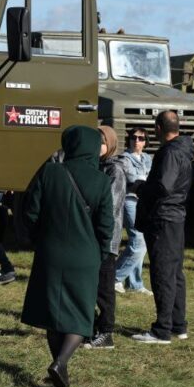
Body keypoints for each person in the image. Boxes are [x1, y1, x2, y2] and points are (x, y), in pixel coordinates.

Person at [20, 125, 114, 387]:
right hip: (86, 256)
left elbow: (30, 212)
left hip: (50, 251)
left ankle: (58, 367)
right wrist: (102, 252)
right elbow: (106, 225)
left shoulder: (50, 172)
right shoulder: (101, 180)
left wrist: (40, 237)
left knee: (53, 312)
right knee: (81, 314)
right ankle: (61, 363)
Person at [130, 111, 194, 344]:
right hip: (176, 217)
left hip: (164, 217)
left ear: (158, 128)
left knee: (163, 273)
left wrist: (140, 187)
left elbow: (163, 186)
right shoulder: (183, 149)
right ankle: (178, 325)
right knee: (175, 273)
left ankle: (162, 329)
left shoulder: (169, 152)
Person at [84, 125, 126, 350]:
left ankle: (106, 332)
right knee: (89, 286)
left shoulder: (114, 170)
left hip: (106, 238)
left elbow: (110, 204)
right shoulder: (93, 167)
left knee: (104, 288)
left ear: (109, 144)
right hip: (89, 236)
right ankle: (88, 329)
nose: (96, 146)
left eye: (100, 142)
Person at [115, 126, 154, 295]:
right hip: (130, 200)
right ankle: (115, 277)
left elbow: (151, 178)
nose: (137, 141)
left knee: (141, 240)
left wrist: (144, 180)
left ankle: (135, 283)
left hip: (143, 201)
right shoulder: (124, 158)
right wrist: (145, 179)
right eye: (134, 137)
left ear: (146, 141)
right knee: (138, 240)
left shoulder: (147, 158)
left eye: (141, 138)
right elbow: (133, 179)